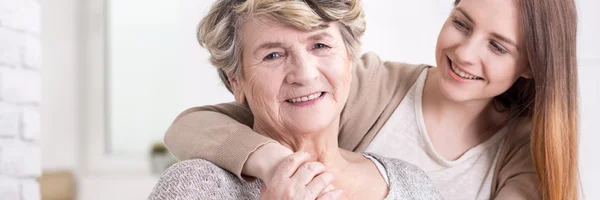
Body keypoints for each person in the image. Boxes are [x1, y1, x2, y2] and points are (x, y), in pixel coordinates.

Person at [164, 0, 580, 199]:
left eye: (499, 46)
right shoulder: (371, 83)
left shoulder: (527, 153)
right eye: (460, 23)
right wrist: (273, 163)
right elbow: (191, 126)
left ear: (531, 65)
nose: (466, 53)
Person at [149, 0, 442, 199]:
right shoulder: (197, 186)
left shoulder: (410, 184)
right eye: (273, 55)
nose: (303, 74)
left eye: (320, 45)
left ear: (350, 59)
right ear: (236, 81)